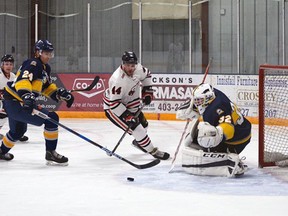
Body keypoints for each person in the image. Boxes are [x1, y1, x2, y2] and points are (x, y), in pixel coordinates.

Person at [0, 39, 74, 165]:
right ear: (38, 52)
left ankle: (1, 152)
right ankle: (51, 152)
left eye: (50, 53)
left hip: (14, 102)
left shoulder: (45, 68)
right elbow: (23, 81)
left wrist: (60, 94)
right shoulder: (33, 63)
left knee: (17, 131)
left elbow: (45, 87)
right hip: (16, 102)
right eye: (46, 53)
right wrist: (27, 97)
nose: (49, 56)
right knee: (51, 118)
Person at [103, 51, 170, 160]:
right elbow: (114, 103)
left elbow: (147, 75)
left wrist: (147, 90)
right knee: (137, 129)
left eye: (133, 65)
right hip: (114, 108)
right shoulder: (117, 80)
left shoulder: (138, 69)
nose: (131, 68)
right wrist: (127, 116)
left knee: (144, 126)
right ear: (123, 64)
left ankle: (139, 143)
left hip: (131, 102)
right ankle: (153, 151)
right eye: (128, 65)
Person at [176, 83, 251, 177]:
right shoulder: (214, 94)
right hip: (240, 128)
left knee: (206, 133)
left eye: (198, 101)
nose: (197, 103)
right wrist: (191, 106)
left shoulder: (218, 107)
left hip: (238, 139)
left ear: (208, 99)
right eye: (196, 100)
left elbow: (229, 129)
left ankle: (232, 162)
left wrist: (217, 135)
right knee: (192, 139)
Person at [0, 54, 29, 142]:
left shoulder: (13, 76)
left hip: (6, 101)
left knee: (17, 112)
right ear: (2, 65)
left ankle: (17, 133)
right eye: (6, 64)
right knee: (3, 114)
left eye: (10, 64)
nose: (8, 66)